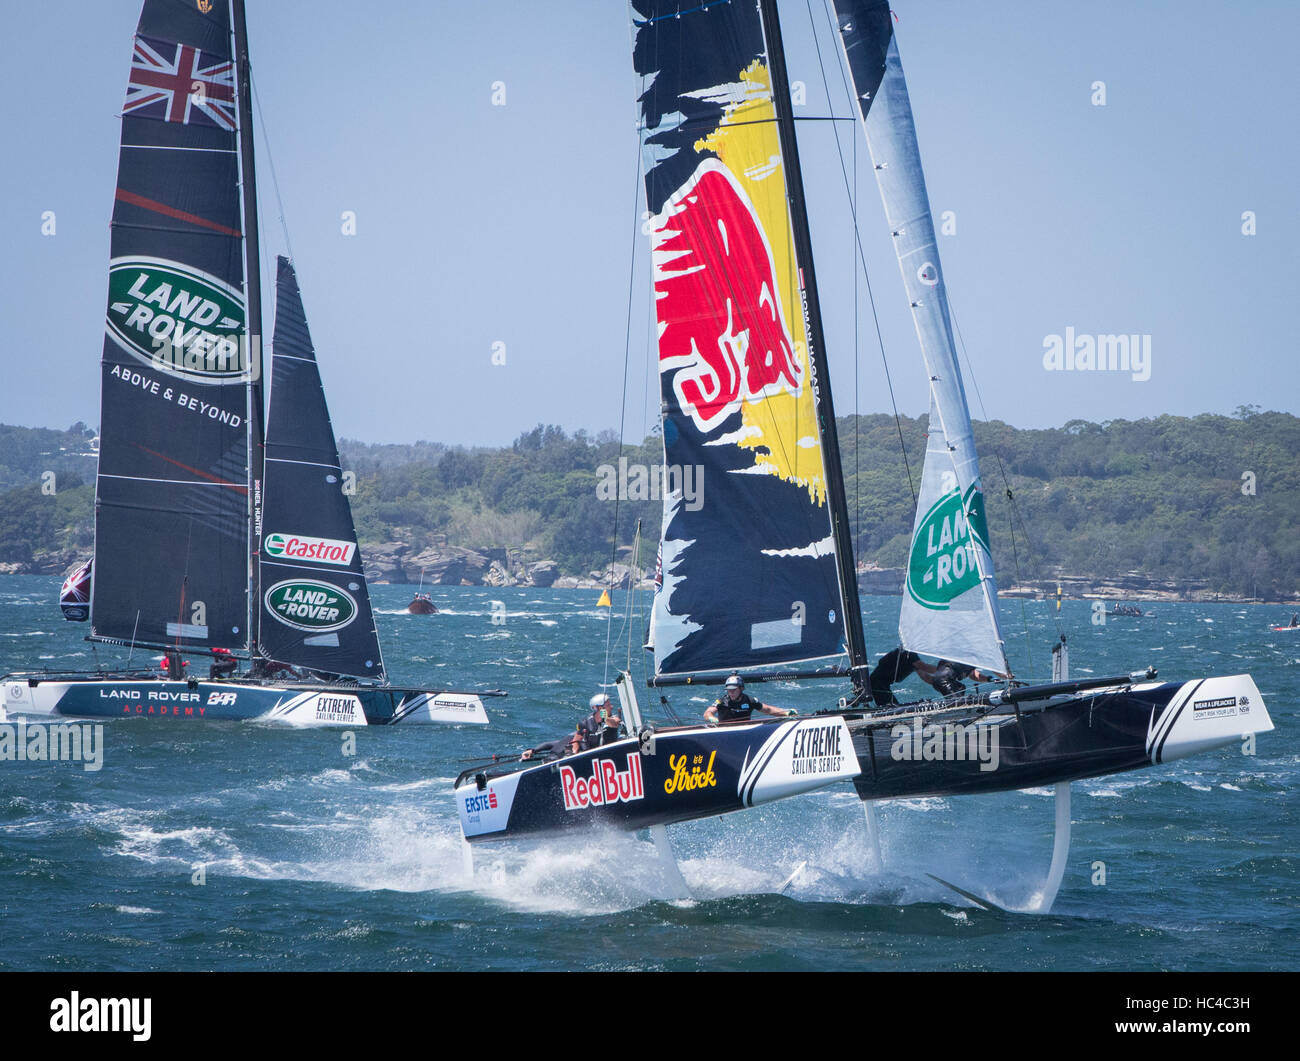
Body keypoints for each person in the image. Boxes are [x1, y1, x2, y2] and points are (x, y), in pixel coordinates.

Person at [703, 674, 796, 724]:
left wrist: (786, 712)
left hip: (744, 731)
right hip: (725, 731)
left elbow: (768, 709)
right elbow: (707, 713)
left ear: (741, 688)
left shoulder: (749, 700)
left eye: (734, 690)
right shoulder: (722, 701)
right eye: (729, 690)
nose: (731, 692)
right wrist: (712, 718)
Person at [867, 647, 939, 708]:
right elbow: (923, 666)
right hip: (877, 683)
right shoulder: (908, 653)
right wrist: (944, 671)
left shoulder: (912, 659)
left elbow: (926, 677)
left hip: (882, 684)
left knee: (893, 706)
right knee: (891, 707)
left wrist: (941, 684)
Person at [927, 659, 999, 697]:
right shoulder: (970, 659)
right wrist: (1008, 677)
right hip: (944, 681)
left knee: (961, 687)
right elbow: (995, 669)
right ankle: (954, 718)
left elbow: (974, 675)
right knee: (957, 702)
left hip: (938, 680)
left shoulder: (966, 659)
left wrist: (989, 679)